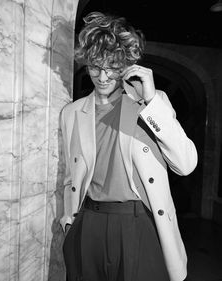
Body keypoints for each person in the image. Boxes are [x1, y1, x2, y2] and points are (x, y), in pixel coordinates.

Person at [59, 11, 198, 281]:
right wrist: (69, 223)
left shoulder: (150, 104)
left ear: (125, 66)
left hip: (137, 223)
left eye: (111, 67)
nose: (102, 76)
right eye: (95, 66)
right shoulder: (72, 113)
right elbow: (70, 176)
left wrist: (150, 101)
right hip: (88, 222)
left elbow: (186, 164)